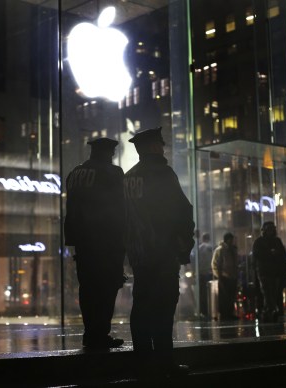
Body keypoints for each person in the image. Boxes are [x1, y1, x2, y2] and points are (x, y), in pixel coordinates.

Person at [123, 127, 195, 375]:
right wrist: (184, 245)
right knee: (164, 306)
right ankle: (164, 361)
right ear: (153, 147)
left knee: (141, 305)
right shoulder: (162, 173)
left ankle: (142, 359)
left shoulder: (128, 177)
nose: (163, 147)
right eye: (160, 144)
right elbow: (182, 212)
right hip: (162, 252)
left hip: (138, 254)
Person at [64, 137, 126, 349]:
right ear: (109, 153)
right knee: (106, 289)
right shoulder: (112, 173)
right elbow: (120, 209)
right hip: (106, 242)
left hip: (83, 244)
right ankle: (100, 335)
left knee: (88, 290)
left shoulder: (74, 174)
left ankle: (90, 333)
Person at [252, 221, 286, 322]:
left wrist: (283, 268)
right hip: (264, 272)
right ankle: (269, 310)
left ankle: (268, 311)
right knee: (267, 293)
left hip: (275, 272)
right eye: (268, 229)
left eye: (272, 229)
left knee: (274, 292)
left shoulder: (277, 241)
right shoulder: (259, 242)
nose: (271, 231)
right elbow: (257, 255)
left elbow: (282, 255)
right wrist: (270, 254)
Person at [212, 232, 239, 320]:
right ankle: (224, 314)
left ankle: (230, 313)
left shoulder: (233, 249)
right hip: (224, 276)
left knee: (231, 296)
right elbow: (215, 264)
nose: (232, 241)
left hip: (232, 276)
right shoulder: (220, 250)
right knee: (224, 296)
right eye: (230, 239)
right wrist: (219, 275)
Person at [197, 233, 213, 318]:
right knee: (209, 292)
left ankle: (203, 311)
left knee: (202, 293)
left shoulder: (199, 248)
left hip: (201, 273)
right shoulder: (210, 247)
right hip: (209, 272)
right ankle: (210, 309)